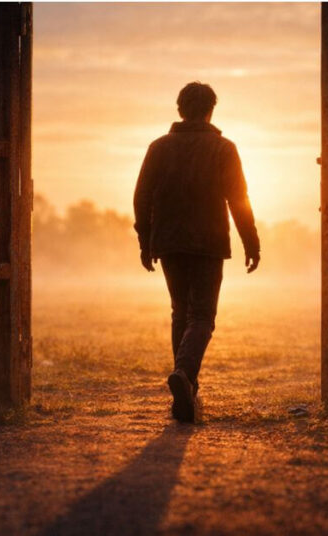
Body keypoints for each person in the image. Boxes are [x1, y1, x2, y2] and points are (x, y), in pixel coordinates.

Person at [133, 81, 261, 423]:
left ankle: (186, 393)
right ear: (210, 111)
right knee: (202, 316)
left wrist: (146, 241)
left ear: (180, 109)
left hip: (169, 243)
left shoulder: (158, 147)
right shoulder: (223, 148)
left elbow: (141, 197)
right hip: (208, 243)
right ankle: (185, 376)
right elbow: (239, 199)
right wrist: (251, 242)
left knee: (181, 312)